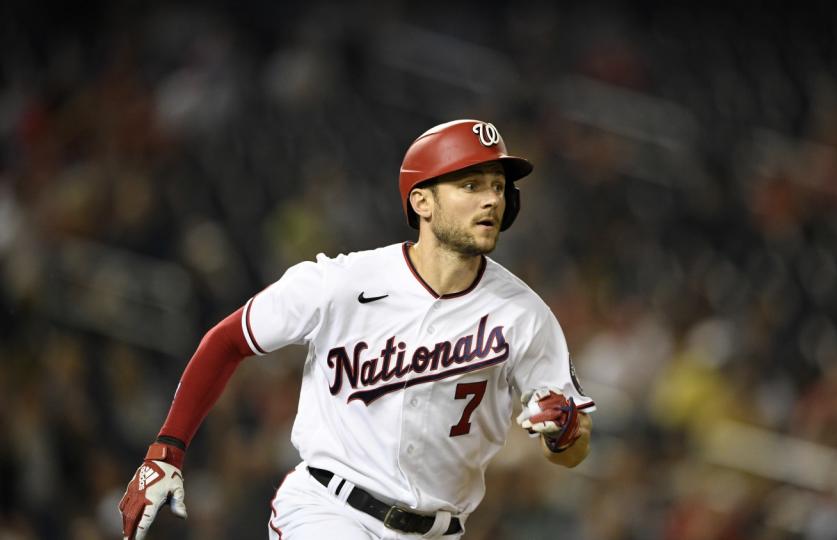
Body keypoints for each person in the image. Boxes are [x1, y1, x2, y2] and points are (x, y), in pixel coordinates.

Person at [118, 119, 597, 539]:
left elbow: (574, 449)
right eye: (470, 185)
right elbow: (227, 340)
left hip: (439, 531)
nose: (491, 198)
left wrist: (565, 430)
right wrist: (167, 449)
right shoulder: (343, 282)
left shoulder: (524, 314)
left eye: (497, 186)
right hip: (329, 511)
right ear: (423, 202)